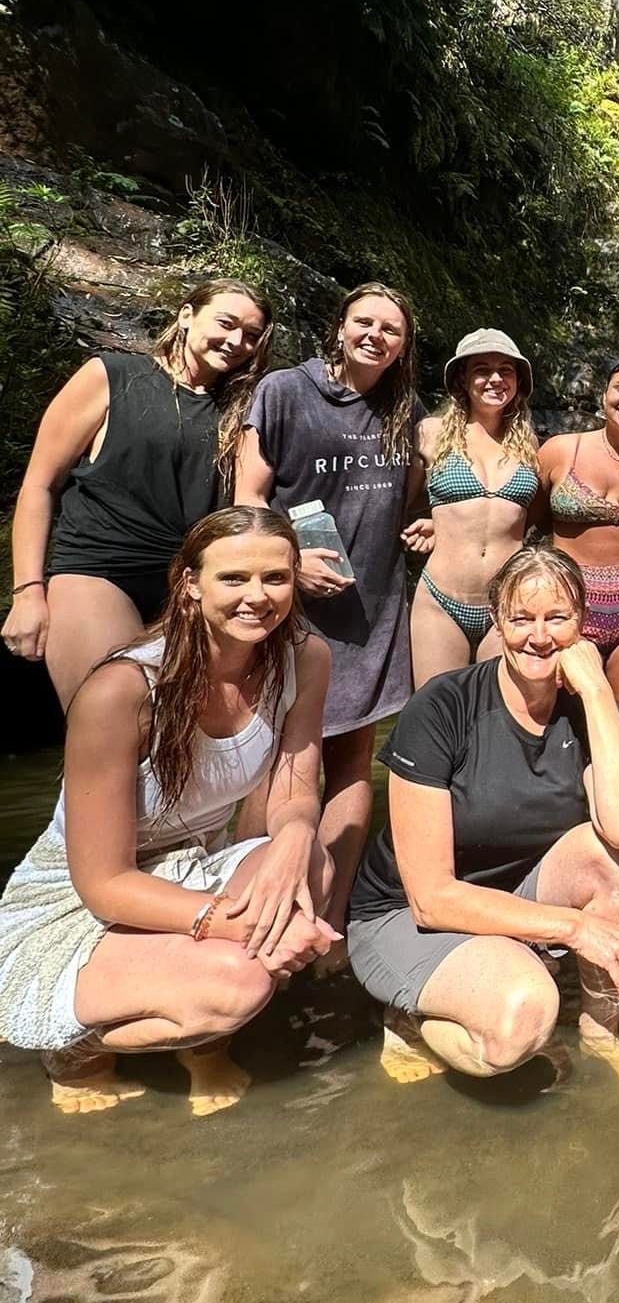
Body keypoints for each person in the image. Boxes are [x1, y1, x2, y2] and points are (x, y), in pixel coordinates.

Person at [0, 507, 334, 1115]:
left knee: (310, 866)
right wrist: (246, 927)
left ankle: (198, 1039)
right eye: (234, 579)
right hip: (77, 902)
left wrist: (291, 842)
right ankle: (75, 1051)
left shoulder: (305, 657)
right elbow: (104, 884)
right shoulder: (121, 691)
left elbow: (295, 785)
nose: (257, 598)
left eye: (275, 578)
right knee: (240, 979)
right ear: (189, 585)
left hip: (186, 867)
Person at [347, 547, 619, 1103]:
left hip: (509, 897)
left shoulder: (591, 706)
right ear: (497, 622)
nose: (540, 637)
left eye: (557, 618)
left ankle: (599, 1029)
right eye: (521, 619)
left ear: (583, 623)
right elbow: (431, 899)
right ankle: (410, 1016)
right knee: (522, 1021)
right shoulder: (442, 708)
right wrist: (571, 928)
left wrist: (594, 690)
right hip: (406, 916)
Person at [236, 282, 430, 927]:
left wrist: (426, 525)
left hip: (372, 609)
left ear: (404, 348)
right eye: (364, 322)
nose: (376, 335)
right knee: (275, 758)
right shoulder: (286, 391)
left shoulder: (404, 409)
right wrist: (288, 562)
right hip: (286, 610)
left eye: (391, 329)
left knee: (351, 761)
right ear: (340, 328)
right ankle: (256, 909)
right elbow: (247, 501)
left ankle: (332, 912)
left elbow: (408, 504)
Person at [4, 281, 273, 707]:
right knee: (115, 718)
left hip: (190, 586)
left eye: (252, 335)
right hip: (99, 573)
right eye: (227, 323)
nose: (237, 341)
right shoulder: (110, 375)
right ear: (187, 315)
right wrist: (28, 592)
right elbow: (40, 484)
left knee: (177, 742)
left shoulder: (245, 407)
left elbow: (252, 500)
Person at [536, 358, 619, 806]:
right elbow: (517, 518)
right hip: (567, 612)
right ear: (604, 394)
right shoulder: (561, 450)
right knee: (552, 737)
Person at [411, 330, 539, 687]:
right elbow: (400, 505)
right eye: (482, 369)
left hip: (507, 603)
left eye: (506, 371)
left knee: (500, 721)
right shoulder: (430, 433)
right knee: (436, 715)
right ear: (462, 380)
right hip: (441, 599)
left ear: (519, 381)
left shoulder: (527, 441)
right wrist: (430, 522)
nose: (495, 379)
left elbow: (535, 518)